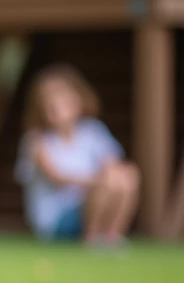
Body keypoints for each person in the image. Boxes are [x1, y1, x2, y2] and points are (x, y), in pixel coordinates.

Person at [15, 64, 138, 246]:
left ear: (78, 102)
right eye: (52, 106)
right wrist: (98, 180)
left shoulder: (93, 131)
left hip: (90, 203)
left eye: (65, 103)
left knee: (127, 176)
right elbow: (56, 177)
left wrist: (111, 176)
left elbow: (112, 163)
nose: (59, 111)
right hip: (57, 219)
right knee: (106, 182)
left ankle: (112, 237)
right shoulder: (37, 140)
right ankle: (92, 237)